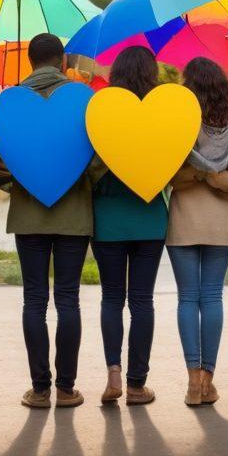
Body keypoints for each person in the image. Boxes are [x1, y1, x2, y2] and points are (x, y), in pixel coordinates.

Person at [0, 33, 91, 410]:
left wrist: (19, 181)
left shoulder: (11, 101)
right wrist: (80, 181)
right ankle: (67, 389)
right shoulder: (83, 101)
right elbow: (98, 157)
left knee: (34, 299)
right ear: (63, 61)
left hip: (28, 215)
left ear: (30, 61)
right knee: (68, 299)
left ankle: (39, 389)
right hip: (73, 215)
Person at [168, 57, 228, 406]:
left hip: (183, 220)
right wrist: (216, 179)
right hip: (221, 221)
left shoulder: (177, 124)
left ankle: (191, 382)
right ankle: (207, 380)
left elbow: (171, 175)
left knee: (188, 299)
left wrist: (197, 175)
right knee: (212, 298)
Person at [91, 45, 166, 406]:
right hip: (150, 219)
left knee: (111, 298)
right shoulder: (162, 113)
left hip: (107, 219)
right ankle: (137, 385)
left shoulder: (102, 111)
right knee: (142, 301)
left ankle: (114, 373)